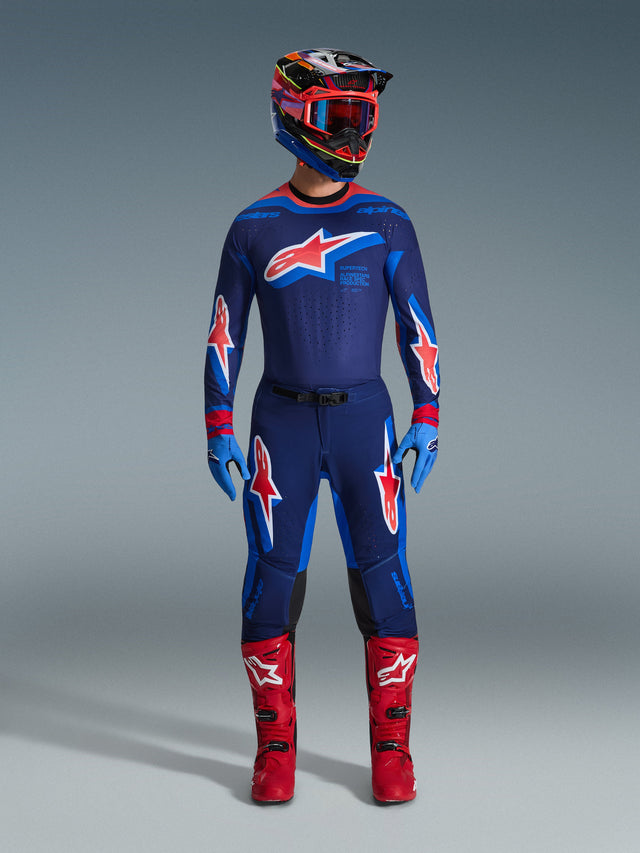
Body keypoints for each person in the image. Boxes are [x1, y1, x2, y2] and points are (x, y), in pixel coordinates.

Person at [205, 49, 440, 804]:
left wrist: (428, 412)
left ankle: (393, 752)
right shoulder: (254, 226)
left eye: (363, 116)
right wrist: (217, 426)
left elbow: (417, 326)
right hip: (280, 424)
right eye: (340, 115)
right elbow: (224, 334)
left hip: (366, 422)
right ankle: (274, 751)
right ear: (293, 114)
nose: (353, 132)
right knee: (272, 582)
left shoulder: (388, 221)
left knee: (385, 577)